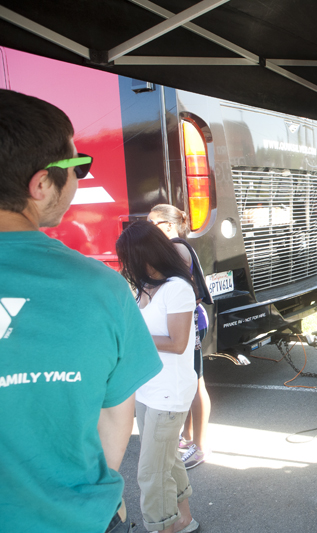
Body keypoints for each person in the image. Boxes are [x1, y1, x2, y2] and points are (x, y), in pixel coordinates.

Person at [0, 89, 162, 532]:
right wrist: (103, 507)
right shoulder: (100, 288)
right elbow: (114, 417)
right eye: (78, 167)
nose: (79, 178)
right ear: (40, 185)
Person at [116, 221, 200, 533]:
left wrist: (133, 337)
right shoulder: (143, 288)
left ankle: (160, 527)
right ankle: (184, 520)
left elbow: (178, 344)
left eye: (128, 257)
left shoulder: (177, 288)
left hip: (170, 393)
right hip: (147, 389)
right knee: (167, 462)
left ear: (145, 254)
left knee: (150, 473)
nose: (126, 264)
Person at [148, 204, 213, 470]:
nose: (148, 230)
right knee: (187, 381)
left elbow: (164, 280)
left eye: (153, 224)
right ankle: (186, 438)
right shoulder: (174, 247)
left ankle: (199, 445)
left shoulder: (177, 247)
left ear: (169, 225)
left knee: (195, 381)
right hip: (186, 320)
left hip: (192, 322)